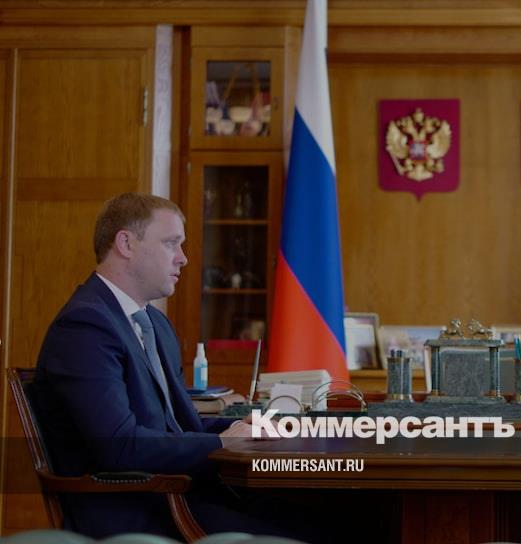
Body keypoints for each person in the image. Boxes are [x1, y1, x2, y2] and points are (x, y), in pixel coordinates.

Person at [33, 193, 314, 540]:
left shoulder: (155, 324)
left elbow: (179, 425)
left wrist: (244, 427)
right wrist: (223, 443)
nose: (183, 258)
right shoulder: (85, 326)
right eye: (171, 243)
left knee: (335, 512)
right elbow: (119, 445)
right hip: (136, 508)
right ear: (126, 244)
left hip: (181, 493)